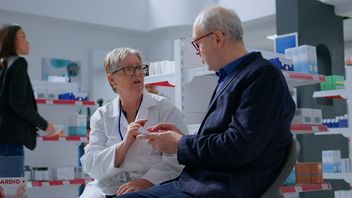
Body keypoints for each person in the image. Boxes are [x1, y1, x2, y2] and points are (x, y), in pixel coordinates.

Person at [118, 6, 296, 198]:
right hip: (200, 183)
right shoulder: (229, 78)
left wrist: (180, 145)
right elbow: (224, 138)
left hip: (222, 189)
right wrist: (180, 138)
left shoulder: (262, 76)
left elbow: (239, 148)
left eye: (197, 44)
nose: (196, 52)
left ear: (218, 38)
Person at [80, 48, 186, 198]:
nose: (137, 73)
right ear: (112, 79)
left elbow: (178, 157)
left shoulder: (164, 108)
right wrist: (124, 145)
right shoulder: (102, 115)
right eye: (128, 69)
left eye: (139, 67)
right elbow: (91, 164)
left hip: (154, 184)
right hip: (108, 186)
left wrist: (146, 181)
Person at [0, 23, 56, 177]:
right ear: (12, 41)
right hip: (10, 141)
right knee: (11, 188)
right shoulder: (18, 63)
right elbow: (18, 102)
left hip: (3, 139)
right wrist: (45, 125)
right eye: (23, 36)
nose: (27, 41)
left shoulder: (4, 64)